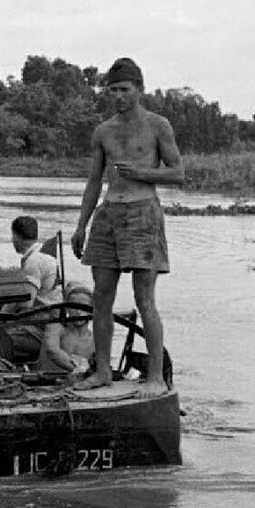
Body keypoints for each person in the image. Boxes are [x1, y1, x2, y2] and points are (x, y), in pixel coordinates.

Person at [70, 57, 184, 396]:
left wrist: (142, 173)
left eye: (124, 89)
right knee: (101, 295)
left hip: (143, 213)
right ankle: (103, 371)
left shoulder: (157, 125)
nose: (118, 96)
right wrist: (82, 225)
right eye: (113, 90)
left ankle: (154, 378)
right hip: (108, 215)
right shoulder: (103, 131)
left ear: (139, 89)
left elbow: (177, 173)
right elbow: (93, 181)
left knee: (143, 298)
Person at [0, 215, 65, 364]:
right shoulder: (43, 253)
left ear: (15, 236)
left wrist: (0, 317)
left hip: (42, 322)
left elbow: (26, 302)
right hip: (53, 315)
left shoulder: (33, 261)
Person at [37, 282, 96, 377]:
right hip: (47, 384)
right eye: (74, 307)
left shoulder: (95, 339)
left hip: (78, 385)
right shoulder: (56, 327)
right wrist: (77, 368)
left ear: (91, 310)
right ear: (67, 309)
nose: (78, 312)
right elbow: (52, 350)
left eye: (83, 307)